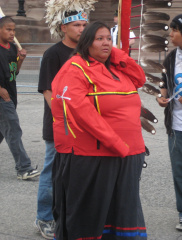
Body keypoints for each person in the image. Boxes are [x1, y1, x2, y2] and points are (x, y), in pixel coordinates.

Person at [51, 21, 147, 240]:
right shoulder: (75, 68)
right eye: (99, 39)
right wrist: (116, 144)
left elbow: (140, 78)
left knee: (122, 213)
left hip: (128, 155)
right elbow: (81, 113)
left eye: (108, 39)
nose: (106, 43)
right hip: (95, 157)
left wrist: (116, 54)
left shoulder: (115, 68)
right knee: (91, 216)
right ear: (87, 42)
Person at [35, 0, 92, 238]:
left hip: (83, 125)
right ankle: (44, 217)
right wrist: (64, 118)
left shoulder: (87, 53)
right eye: (76, 25)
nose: (81, 29)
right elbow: (48, 91)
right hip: (59, 125)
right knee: (51, 171)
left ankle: (65, 216)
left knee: (75, 173)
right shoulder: (53, 54)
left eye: (84, 24)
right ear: (63, 28)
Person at [0, 16, 40, 180]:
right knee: (14, 131)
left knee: (3, 133)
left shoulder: (11, 48)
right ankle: (24, 168)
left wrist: (20, 60)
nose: (12, 33)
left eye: (14, 30)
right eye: (8, 29)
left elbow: (13, 73)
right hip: (3, 99)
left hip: (11, 95)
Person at [156, 14, 182, 231]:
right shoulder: (171, 58)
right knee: (179, 171)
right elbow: (164, 82)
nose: (171, 34)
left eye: (174, 30)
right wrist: (162, 97)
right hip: (176, 126)